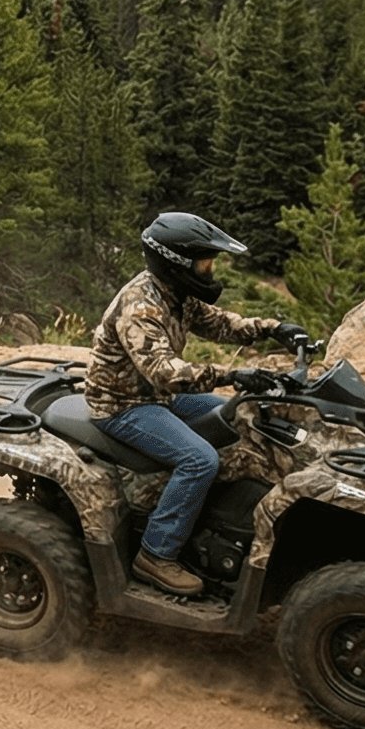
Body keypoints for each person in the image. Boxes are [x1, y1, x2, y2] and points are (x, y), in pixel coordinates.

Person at [85, 211, 311, 598]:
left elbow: (221, 324)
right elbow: (162, 371)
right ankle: (156, 553)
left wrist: (273, 329)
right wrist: (232, 375)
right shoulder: (141, 307)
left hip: (159, 396)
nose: (209, 270)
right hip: (122, 404)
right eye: (204, 262)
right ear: (176, 262)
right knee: (199, 459)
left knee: (241, 415)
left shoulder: (177, 294)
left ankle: (219, 518)